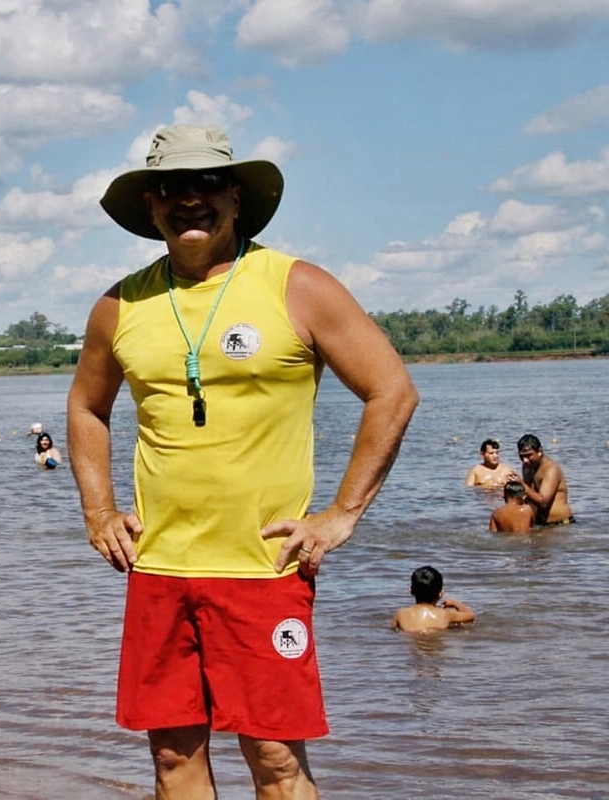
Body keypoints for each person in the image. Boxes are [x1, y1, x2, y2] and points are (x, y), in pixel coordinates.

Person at [66, 124, 418, 799]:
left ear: (234, 195)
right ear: (150, 204)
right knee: (173, 761)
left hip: (263, 569)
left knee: (277, 763)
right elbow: (86, 409)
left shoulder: (298, 286)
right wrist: (99, 511)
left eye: (205, 184)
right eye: (171, 187)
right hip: (159, 568)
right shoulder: (120, 305)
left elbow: (392, 391)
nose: (188, 200)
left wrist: (342, 515)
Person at [391, 566, 476, 633]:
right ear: (440, 594)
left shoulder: (400, 614)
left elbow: (393, 629)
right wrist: (454, 603)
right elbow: (470, 616)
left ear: (411, 590)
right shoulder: (446, 614)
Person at [514, 434, 573, 525]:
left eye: (529, 455)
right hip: (540, 524)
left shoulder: (551, 469)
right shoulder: (527, 466)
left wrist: (522, 485)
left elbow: (543, 502)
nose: (525, 460)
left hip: (560, 525)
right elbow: (528, 494)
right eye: (521, 456)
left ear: (540, 451)